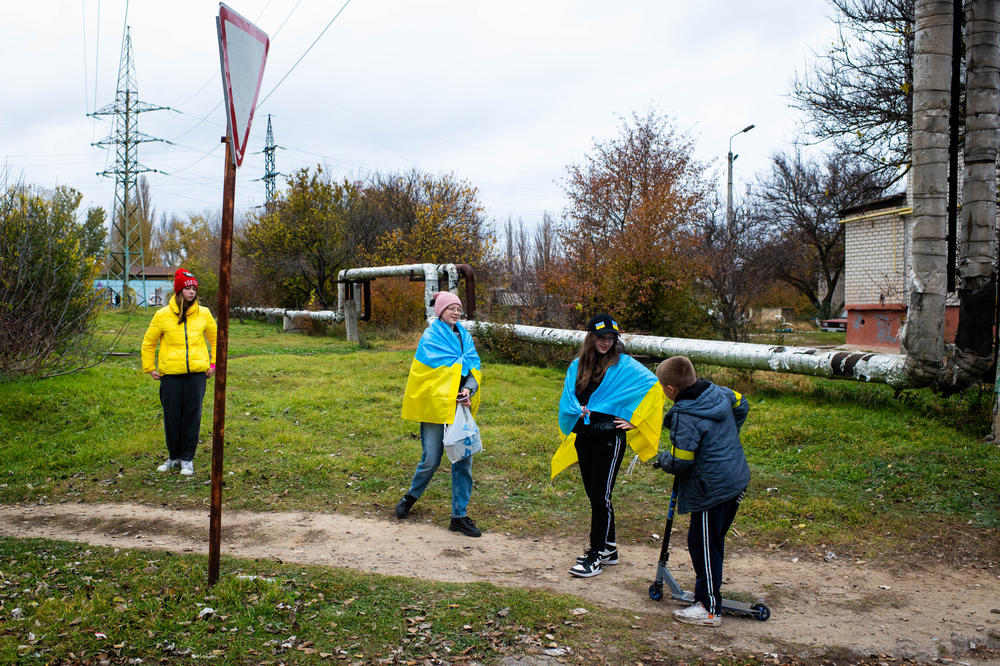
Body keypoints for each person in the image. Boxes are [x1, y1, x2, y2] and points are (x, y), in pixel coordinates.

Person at [552, 314, 663, 578]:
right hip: (583, 436)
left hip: (608, 439)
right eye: (601, 337)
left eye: (611, 338)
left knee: (601, 496)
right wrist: (575, 411)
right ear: (591, 338)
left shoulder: (624, 365)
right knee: (595, 494)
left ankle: (595, 554)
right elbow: (567, 397)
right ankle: (610, 549)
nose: (606, 343)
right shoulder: (577, 366)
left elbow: (653, 386)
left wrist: (634, 420)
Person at [654, 355, 750, 627]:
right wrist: (726, 438)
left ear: (671, 389)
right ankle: (707, 597)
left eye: (663, 387)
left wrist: (662, 459)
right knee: (708, 541)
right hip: (735, 479)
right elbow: (742, 404)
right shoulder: (717, 391)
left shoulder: (685, 416)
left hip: (713, 489)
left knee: (704, 546)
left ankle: (709, 608)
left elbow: (682, 462)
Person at [395, 291, 483, 537]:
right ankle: (410, 497)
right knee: (431, 459)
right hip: (435, 407)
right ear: (440, 311)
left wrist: (468, 389)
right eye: (451, 308)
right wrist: (450, 384)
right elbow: (426, 373)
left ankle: (459, 516)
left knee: (463, 459)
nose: (456, 312)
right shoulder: (431, 336)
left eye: (458, 308)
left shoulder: (465, 336)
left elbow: (473, 367)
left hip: (458, 407)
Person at [141, 268, 217, 477]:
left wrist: (213, 364)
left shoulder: (204, 314)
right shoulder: (162, 315)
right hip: (170, 375)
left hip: (196, 375)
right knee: (172, 416)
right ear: (179, 290)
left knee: (193, 416)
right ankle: (173, 457)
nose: (191, 292)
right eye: (187, 288)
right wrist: (150, 367)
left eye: (194, 288)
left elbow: (216, 339)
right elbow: (149, 342)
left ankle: (187, 459)